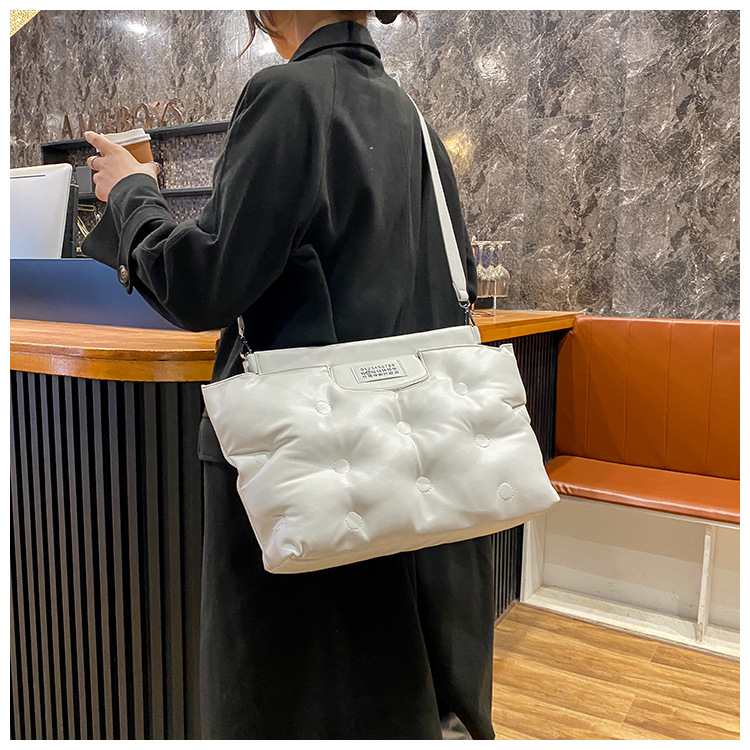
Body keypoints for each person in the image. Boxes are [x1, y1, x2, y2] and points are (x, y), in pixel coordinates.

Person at [82, 10, 495, 740]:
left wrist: (132, 194)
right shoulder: (416, 125)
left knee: (287, 699)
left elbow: (202, 285)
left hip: (306, 472)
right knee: (385, 693)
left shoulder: (288, 96)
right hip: (412, 468)